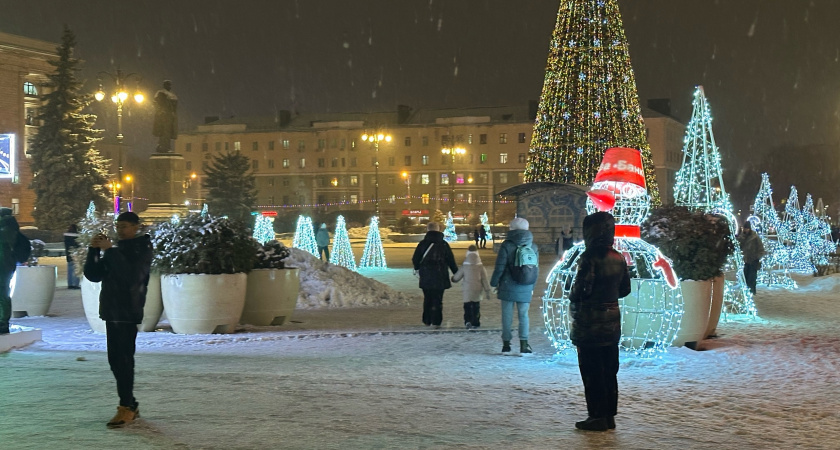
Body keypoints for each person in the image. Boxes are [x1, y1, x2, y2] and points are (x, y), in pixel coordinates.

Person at [84, 212, 153, 428]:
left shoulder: (141, 247)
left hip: (128, 310)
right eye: (118, 226)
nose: (120, 230)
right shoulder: (117, 250)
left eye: (124, 226)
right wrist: (93, 251)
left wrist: (108, 251)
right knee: (115, 359)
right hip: (112, 311)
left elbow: (130, 275)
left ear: (136, 227)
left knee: (123, 359)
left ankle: (126, 406)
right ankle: (129, 403)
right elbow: (94, 275)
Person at [568, 211, 631, 432]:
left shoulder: (588, 257)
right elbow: (625, 289)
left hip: (589, 325)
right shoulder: (619, 257)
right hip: (612, 325)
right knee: (609, 371)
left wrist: (573, 293)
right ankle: (609, 415)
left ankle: (596, 416)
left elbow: (580, 290)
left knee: (592, 372)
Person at [490, 217, 539, 354]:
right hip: (526, 285)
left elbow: (499, 267)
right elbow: (536, 268)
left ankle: (506, 344)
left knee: (507, 315)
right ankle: (524, 344)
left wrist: (494, 283)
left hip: (507, 285)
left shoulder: (507, 245)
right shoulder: (533, 246)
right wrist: (532, 286)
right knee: (524, 315)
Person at [411, 222, 458, 329]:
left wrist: (418, 269)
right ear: (438, 230)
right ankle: (436, 321)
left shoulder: (422, 244)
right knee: (438, 299)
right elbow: (451, 261)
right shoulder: (444, 244)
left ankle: (427, 319)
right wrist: (457, 274)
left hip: (426, 276)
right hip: (440, 276)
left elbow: (415, 259)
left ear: (427, 230)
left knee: (427, 298)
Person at [0, 209, 31, 334]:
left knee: (2, 294)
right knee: (4, 294)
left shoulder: (4, 229)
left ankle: (2, 323)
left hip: (2, 265)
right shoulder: (13, 229)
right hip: (7, 266)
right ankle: (3, 322)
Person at [451, 244, 492, 329]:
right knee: (476, 307)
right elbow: (485, 280)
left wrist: (453, 279)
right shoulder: (481, 267)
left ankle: (468, 321)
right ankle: (475, 322)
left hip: (467, 290)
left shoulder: (464, 266)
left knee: (467, 307)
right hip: (477, 290)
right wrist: (487, 290)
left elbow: (457, 277)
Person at [737, 221, 765, 295]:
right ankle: (746, 290)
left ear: (749, 228)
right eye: (744, 228)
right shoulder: (742, 236)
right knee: (745, 276)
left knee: (752, 277)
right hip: (745, 259)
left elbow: (761, 248)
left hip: (753, 260)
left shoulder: (755, 237)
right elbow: (739, 245)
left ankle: (752, 291)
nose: (745, 230)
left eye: (747, 228)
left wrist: (757, 257)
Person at [152, 79, 178, 153]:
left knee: (168, 132)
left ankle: (164, 147)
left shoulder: (172, 95)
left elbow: (174, 106)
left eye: (170, 85)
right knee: (164, 131)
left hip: (170, 115)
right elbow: (155, 103)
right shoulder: (161, 93)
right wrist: (160, 111)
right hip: (164, 115)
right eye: (167, 84)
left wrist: (173, 114)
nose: (169, 86)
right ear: (164, 85)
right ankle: (163, 147)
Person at [64, 224, 80, 289]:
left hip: (69, 255)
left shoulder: (66, 236)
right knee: (77, 269)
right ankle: (76, 284)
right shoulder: (77, 236)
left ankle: (70, 284)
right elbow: (78, 245)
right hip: (77, 254)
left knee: (70, 270)